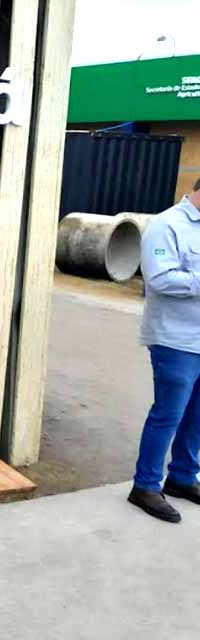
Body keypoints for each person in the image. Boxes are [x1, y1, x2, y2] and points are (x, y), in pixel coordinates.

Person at [128, 178, 200, 523]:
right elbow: (159, 278)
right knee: (168, 413)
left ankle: (183, 477)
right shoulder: (166, 225)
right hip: (175, 340)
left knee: (197, 414)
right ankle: (145, 486)